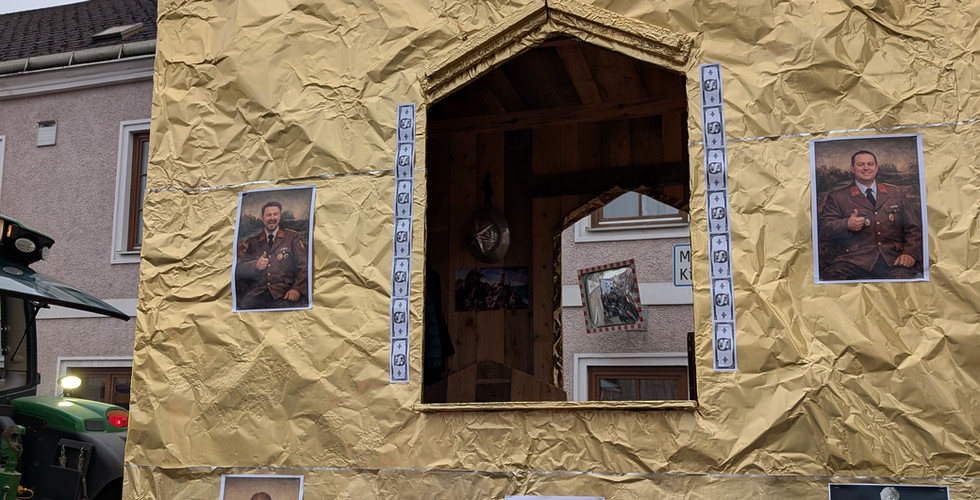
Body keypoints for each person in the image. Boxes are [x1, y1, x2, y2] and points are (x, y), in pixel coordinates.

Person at [817, 150, 922, 281]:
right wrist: (846, 224)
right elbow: (822, 228)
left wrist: (910, 253)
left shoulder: (896, 193)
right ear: (852, 168)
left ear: (876, 168)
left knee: (906, 283)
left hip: (893, 259)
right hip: (852, 261)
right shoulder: (838, 197)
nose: (866, 168)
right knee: (833, 280)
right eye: (860, 164)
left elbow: (914, 229)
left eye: (870, 164)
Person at [235, 201, 309, 309]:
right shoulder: (253, 242)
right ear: (262, 218)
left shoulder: (292, 237)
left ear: (280, 216)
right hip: (258, 293)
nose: (272, 218)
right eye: (268, 215)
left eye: (275, 214)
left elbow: (304, 266)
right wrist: (256, 264)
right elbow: (240, 268)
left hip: (284, 292)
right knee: (243, 308)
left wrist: (297, 289)